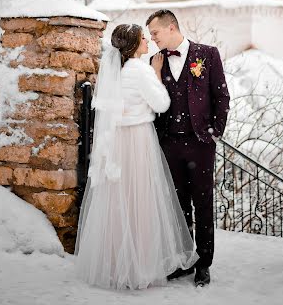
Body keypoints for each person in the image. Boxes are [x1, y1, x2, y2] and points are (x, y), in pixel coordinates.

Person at [74, 24, 198, 290]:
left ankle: (114, 263)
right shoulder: (140, 69)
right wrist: (154, 73)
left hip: (118, 140)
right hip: (138, 138)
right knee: (139, 199)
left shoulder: (116, 71)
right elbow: (161, 104)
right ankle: (138, 267)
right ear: (132, 45)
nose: (147, 41)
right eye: (143, 38)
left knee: (118, 200)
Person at [147, 10, 230, 287]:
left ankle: (204, 263)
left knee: (203, 203)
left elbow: (221, 95)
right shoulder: (153, 61)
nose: (152, 38)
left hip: (200, 144)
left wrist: (214, 132)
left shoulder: (207, 54)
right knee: (178, 206)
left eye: (155, 33)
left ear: (171, 28)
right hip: (169, 144)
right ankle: (184, 260)